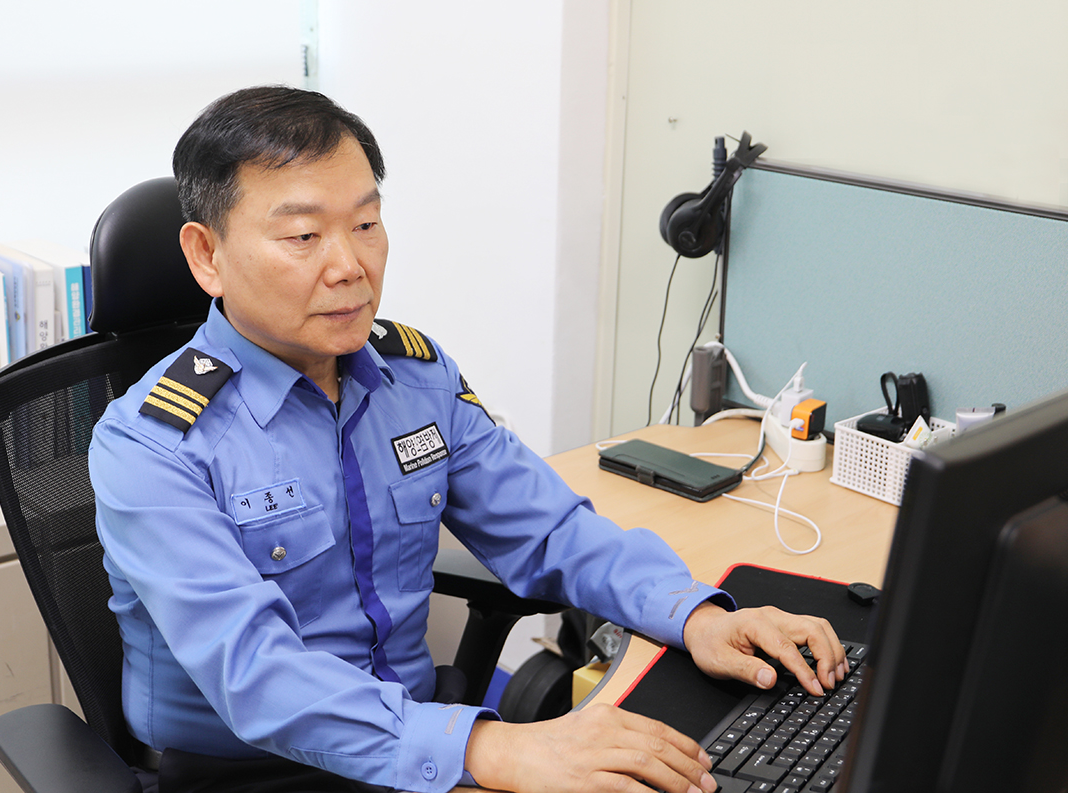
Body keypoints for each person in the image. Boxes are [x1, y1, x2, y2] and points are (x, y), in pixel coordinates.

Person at [89, 85, 848, 793]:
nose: (350, 266)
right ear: (207, 256)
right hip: (250, 771)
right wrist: (496, 748)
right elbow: (258, 675)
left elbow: (548, 529)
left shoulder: (413, 379)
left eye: (365, 224)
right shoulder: (151, 447)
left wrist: (699, 616)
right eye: (303, 235)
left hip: (424, 737)